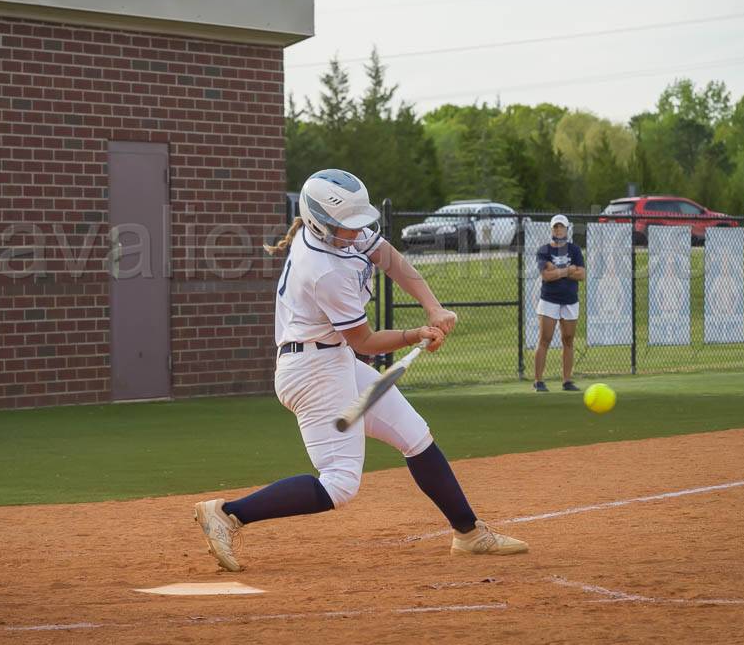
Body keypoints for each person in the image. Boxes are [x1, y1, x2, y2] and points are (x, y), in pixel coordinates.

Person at [193, 169, 528, 573]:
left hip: (332, 362)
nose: (355, 233)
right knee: (338, 482)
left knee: (415, 435)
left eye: (356, 224)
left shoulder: (336, 235)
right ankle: (228, 513)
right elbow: (364, 342)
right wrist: (415, 334)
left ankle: (469, 534)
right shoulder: (323, 269)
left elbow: (391, 259)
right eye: (345, 226)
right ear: (318, 221)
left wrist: (433, 307)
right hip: (313, 372)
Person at [532, 214, 584, 392]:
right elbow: (546, 276)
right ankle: (538, 381)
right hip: (549, 300)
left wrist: (558, 271)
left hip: (570, 301)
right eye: (555, 227)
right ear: (551, 229)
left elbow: (582, 275)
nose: (558, 230)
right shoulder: (544, 250)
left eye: (561, 227)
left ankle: (567, 381)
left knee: (568, 340)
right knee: (544, 340)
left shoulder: (575, 250)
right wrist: (568, 270)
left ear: (567, 229)